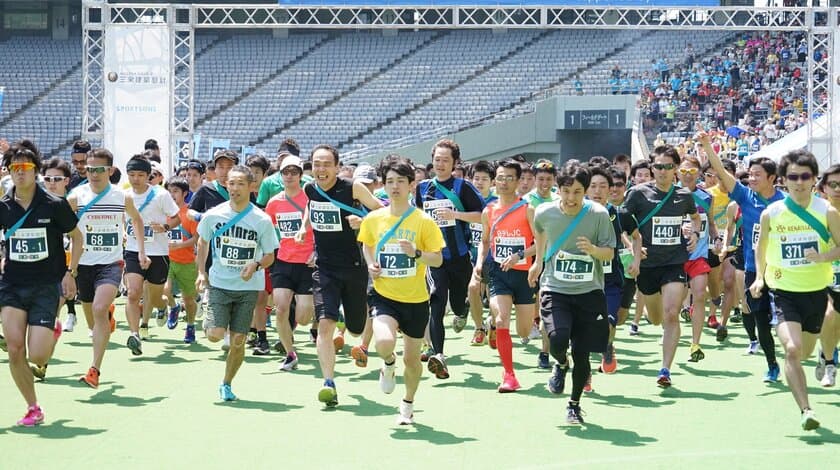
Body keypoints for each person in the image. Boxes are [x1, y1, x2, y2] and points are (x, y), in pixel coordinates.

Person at [751, 150, 840, 431]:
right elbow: (761, 246)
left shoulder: (827, 211)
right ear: (782, 180)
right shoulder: (772, 213)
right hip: (783, 291)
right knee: (791, 349)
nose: (799, 182)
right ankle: (806, 410)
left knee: (804, 350)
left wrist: (823, 257)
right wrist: (759, 278)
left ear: (814, 180)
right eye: (793, 177)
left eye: (805, 176)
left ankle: (819, 356)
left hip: (816, 291)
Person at [0, 143, 83, 426]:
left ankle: (52, 330)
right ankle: (33, 406)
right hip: (12, 285)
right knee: (14, 349)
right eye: (14, 169)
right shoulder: (4, 206)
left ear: (35, 171)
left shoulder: (54, 204)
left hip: (46, 285)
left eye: (25, 168)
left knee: (37, 355)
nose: (20, 174)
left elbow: (77, 237)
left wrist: (70, 272)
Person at [358, 156, 444, 425]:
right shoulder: (373, 219)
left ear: (410, 186)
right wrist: (371, 262)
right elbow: (368, 244)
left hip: (416, 300)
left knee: (413, 359)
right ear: (384, 185)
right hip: (384, 294)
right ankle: (387, 363)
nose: (395, 186)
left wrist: (417, 253)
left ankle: (407, 403)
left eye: (400, 181)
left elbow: (437, 259)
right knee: (384, 342)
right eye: (390, 181)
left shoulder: (423, 221)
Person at [294, 144, 382, 407]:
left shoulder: (353, 187)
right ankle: (329, 383)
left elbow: (380, 211)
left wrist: (364, 220)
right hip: (325, 267)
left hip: (355, 266)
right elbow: (312, 205)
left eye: (326, 164)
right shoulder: (310, 187)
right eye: (316, 164)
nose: (321, 170)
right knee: (324, 325)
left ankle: (355, 324)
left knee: (355, 329)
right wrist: (302, 227)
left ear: (337, 166)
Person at [528, 162, 615, 424]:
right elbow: (542, 237)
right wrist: (538, 262)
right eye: (566, 191)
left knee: (582, 352)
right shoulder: (544, 212)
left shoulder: (598, 214)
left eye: (577, 192)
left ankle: (574, 405)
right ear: (558, 188)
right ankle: (560, 363)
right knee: (557, 338)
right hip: (556, 288)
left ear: (585, 191)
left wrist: (592, 249)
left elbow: (609, 252)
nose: (571, 198)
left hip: (589, 291)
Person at [698, 130, 785, 382]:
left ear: (772, 178)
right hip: (752, 269)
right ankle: (772, 363)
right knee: (759, 317)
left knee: (790, 319)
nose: (752, 178)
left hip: (782, 271)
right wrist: (707, 146)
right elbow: (722, 172)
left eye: (758, 175)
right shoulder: (745, 196)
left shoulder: (785, 203)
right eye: (750, 174)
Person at [196, 165, 278, 401]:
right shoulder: (214, 215)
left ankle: (227, 383)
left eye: (240, 183)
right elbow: (202, 243)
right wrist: (201, 272)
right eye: (231, 183)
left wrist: (256, 265)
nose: (234, 188)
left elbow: (271, 255)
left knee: (238, 341)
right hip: (220, 283)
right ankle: (210, 310)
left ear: (251, 187)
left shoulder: (261, 220)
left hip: (248, 287)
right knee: (214, 335)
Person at [68, 148, 148, 389]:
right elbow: (57, 221)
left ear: (110, 171)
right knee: (93, 318)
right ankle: (107, 320)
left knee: (100, 307)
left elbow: (137, 220)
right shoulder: (76, 197)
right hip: (82, 264)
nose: (93, 174)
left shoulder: (122, 198)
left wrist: (141, 250)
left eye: (99, 169)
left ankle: (94, 370)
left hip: (111, 264)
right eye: (90, 169)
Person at [623, 145, 701, 388]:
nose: (663, 171)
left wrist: (695, 234)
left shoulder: (684, 196)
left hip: (674, 261)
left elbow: (696, 217)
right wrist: (634, 248)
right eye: (658, 166)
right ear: (651, 168)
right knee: (656, 318)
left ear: (676, 168)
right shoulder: (637, 194)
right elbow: (623, 225)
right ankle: (649, 312)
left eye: (668, 166)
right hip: (647, 265)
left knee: (671, 313)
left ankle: (665, 369)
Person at [415, 139, 484, 379]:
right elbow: (416, 216)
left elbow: (482, 216)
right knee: (435, 304)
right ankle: (439, 355)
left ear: (455, 163)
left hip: (459, 256)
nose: (441, 164)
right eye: (437, 160)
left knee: (455, 304)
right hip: (434, 258)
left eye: (446, 160)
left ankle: (463, 309)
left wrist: (455, 214)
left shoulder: (462, 187)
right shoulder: (423, 188)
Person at [474, 159, 537, 392]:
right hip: (499, 274)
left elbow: (541, 244)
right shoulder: (488, 211)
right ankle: (509, 375)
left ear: (519, 181)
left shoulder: (527, 209)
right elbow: (485, 241)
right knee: (502, 320)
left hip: (523, 276)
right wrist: (479, 262)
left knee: (524, 330)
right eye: (500, 177)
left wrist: (520, 255)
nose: (504, 182)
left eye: (510, 178)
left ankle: (494, 324)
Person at [122, 155, 180, 352]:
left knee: (154, 297)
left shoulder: (160, 195)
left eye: (140, 175)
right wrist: (123, 231)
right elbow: (122, 220)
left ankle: (163, 306)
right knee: (133, 292)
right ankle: (134, 334)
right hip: (133, 250)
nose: (136, 179)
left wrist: (165, 226)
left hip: (158, 252)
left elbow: (177, 217)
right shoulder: (124, 196)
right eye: (132, 175)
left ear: (149, 176)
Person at [265, 156, 315, 371]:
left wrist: (317, 251)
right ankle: (289, 353)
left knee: (303, 317)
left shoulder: (310, 198)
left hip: (308, 263)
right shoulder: (274, 202)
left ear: (301, 175)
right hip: (283, 261)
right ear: (280, 175)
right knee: (281, 308)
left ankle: (306, 323)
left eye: (294, 172)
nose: (289, 176)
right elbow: (268, 230)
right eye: (286, 172)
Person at [676, 155, 719, 363]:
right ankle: (671, 333)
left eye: (691, 172)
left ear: (698, 173)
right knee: (673, 303)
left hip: (698, 255)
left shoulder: (706, 197)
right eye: (683, 172)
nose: (687, 176)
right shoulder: (669, 194)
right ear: (677, 172)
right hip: (673, 257)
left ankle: (695, 343)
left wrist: (717, 238)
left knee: (700, 294)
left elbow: (710, 223)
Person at [163, 177, 200, 343]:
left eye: (176, 191)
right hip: (167, 260)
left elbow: (195, 239)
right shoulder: (163, 213)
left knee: (189, 299)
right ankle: (173, 307)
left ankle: (191, 326)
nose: (172, 195)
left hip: (187, 262)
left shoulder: (189, 214)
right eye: (169, 191)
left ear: (185, 193)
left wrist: (180, 246)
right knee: (165, 290)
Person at [466, 161, 497, 346]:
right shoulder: (464, 201)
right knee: (472, 288)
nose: (479, 182)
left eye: (484, 179)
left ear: (492, 182)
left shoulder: (496, 203)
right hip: (471, 256)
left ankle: (493, 323)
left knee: (495, 295)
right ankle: (479, 328)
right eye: (476, 178)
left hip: (493, 256)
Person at [815, 166, 840, 388]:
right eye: (833, 184)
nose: (838, 189)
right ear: (823, 188)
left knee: (837, 326)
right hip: (823, 276)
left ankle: (826, 350)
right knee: (829, 315)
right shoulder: (816, 212)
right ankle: (830, 366)